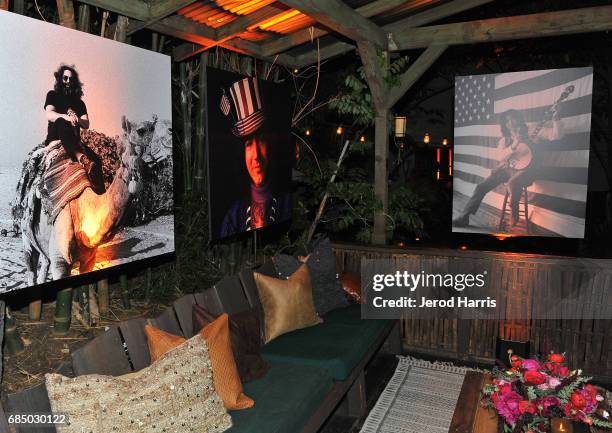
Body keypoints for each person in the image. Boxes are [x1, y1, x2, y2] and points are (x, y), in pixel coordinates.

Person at [453, 107, 563, 228]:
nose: (511, 122)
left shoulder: (533, 130)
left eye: (513, 118)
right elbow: (501, 157)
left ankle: (513, 208)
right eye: (507, 120)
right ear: (505, 125)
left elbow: (557, 135)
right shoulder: (505, 140)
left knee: (513, 182)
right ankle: (464, 216)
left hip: (528, 171)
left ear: (519, 119)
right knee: (481, 187)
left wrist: (556, 119)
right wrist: (515, 143)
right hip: (508, 170)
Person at [219, 77, 291, 238]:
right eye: (249, 144)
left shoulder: (287, 205)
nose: (256, 156)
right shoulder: (234, 216)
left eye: (262, 141)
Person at [44, 64, 104, 193]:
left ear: (74, 82)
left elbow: (86, 124)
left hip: (74, 139)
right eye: (65, 78)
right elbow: (49, 114)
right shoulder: (52, 95)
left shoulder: (80, 103)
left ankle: (101, 195)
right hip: (56, 135)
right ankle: (81, 158)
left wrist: (77, 118)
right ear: (60, 79)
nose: (68, 82)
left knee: (98, 161)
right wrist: (67, 117)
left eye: (71, 79)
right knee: (61, 121)